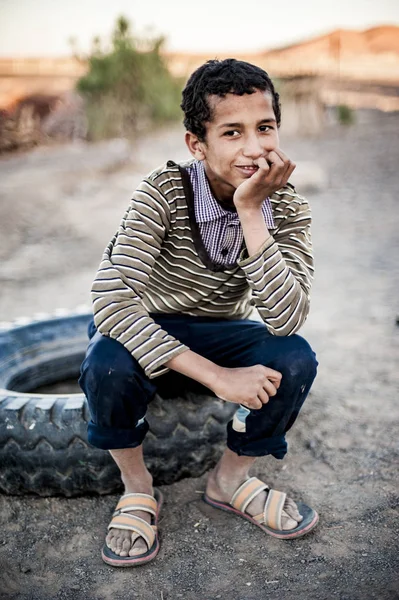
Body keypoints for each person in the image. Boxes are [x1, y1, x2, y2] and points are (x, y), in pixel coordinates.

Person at [79, 58, 319, 567]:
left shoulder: (287, 205)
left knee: (294, 357)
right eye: (232, 132)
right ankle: (138, 487)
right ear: (197, 144)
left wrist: (252, 211)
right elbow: (111, 301)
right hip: (151, 325)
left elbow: (287, 317)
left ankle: (230, 480)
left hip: (222, 329)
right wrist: (218, 378)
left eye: (266, 128)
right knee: (106, 362)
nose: (254, 148)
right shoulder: (163, 193)